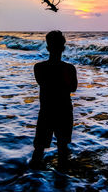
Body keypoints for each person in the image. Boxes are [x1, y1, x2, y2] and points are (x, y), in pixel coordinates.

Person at [30, 30, 77, 169]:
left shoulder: (39, 68)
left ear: (47, 48)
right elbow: (73, 88)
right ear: (63, 48)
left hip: (46, 112)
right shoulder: (69, 68)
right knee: (63, 149)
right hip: (64, 111)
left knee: (39, 149)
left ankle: (32, 181)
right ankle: (62, 181)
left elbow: (43, 83)